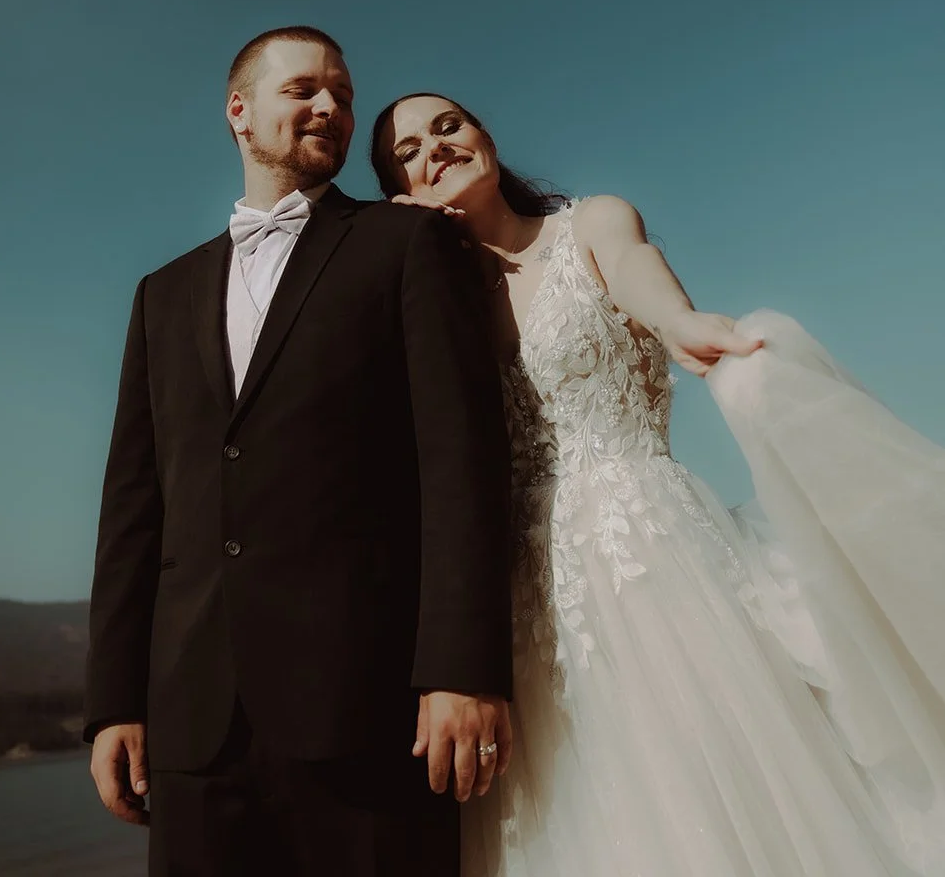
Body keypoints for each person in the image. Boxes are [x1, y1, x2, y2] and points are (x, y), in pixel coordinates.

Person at [370, 91, 945, 877]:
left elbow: (640, 277)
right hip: (517, 602)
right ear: (397, 187)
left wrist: (678, 321)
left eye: (448, 127)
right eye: (408, 150)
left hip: (646, 551)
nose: (435, 148)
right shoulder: (430, 301)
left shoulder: (591, 224)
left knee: (710, 770)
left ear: (485, 137)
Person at [84, 30, 514, 877]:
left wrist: (462, 669)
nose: (331, 108)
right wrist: (112, 705)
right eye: (305, 90)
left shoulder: (406, 246)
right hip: (193, 723)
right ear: (238, 113)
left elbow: (462, 464)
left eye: (344, 96)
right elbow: (134, 509)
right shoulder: (160, 295)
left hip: (365, 705)